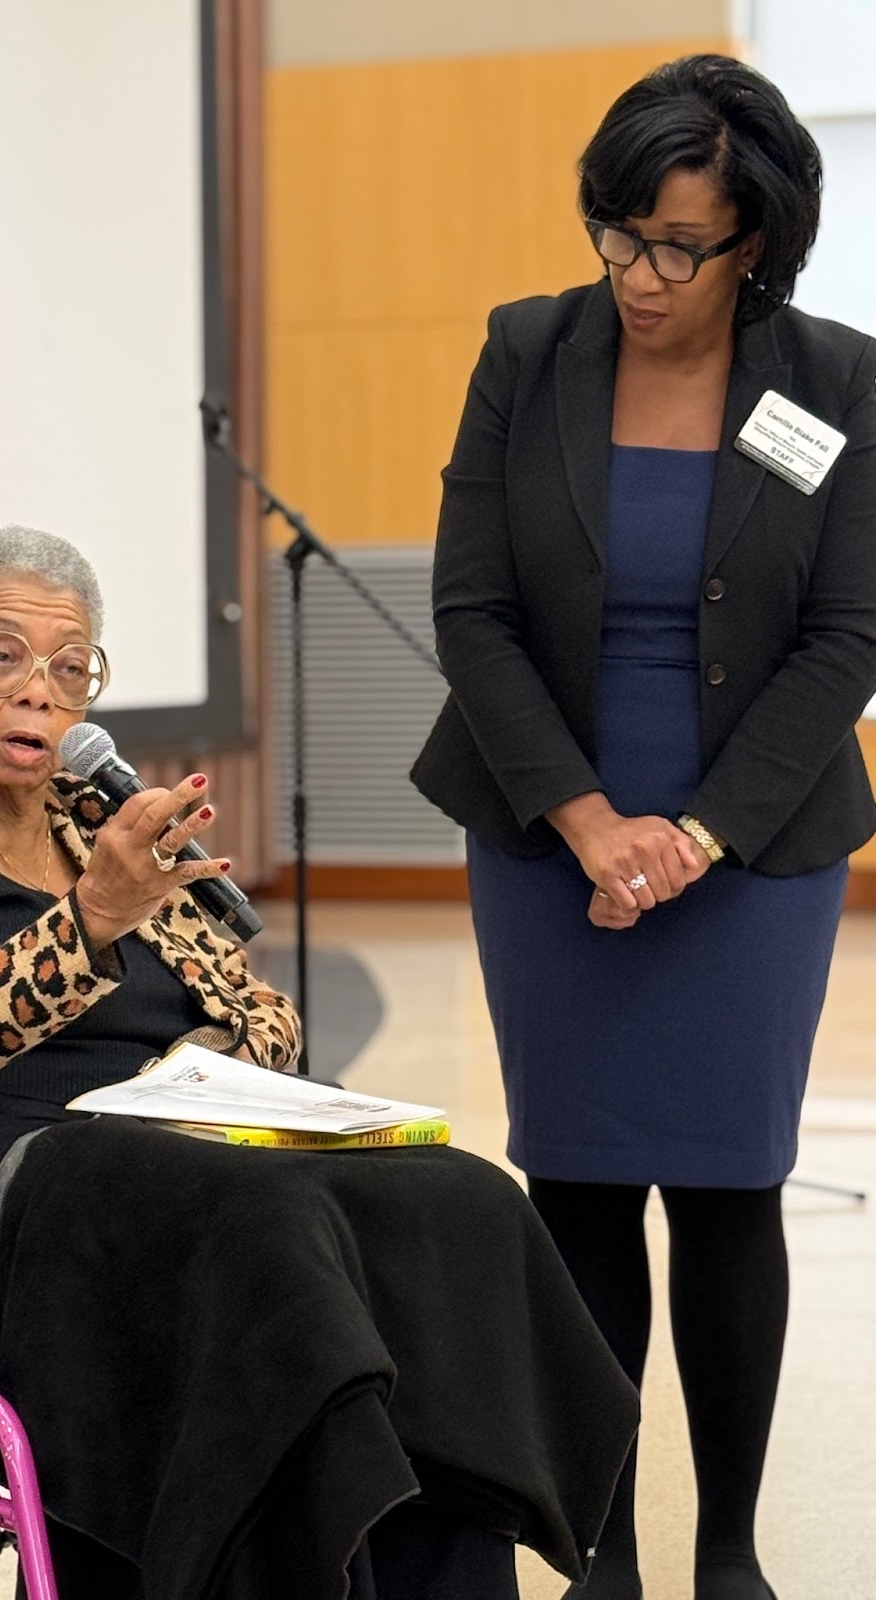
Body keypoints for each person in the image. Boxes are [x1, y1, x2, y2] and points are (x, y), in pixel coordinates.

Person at [0, 526, 639, 1600]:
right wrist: (85, 924)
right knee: (265, 1229)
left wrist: (211, 1072)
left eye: (71, 666)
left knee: (457, 1198)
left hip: (164, 1126)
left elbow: (260, 1008)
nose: (41, 691)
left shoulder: (105, 824)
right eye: (3, 655)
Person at [412, 53, 876, 1600]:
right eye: (619, 232)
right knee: (583, 1186)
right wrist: (593, 820)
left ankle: (729, 1548)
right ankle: (599, 1546)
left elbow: (848, 637)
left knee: (734, 1184)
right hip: (550, 825)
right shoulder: (527, 353)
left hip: (754, 840)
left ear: (760, 243)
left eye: (681, 244)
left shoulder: (835, 382)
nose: (640, 274)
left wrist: (696, 838)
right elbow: (470, 610)